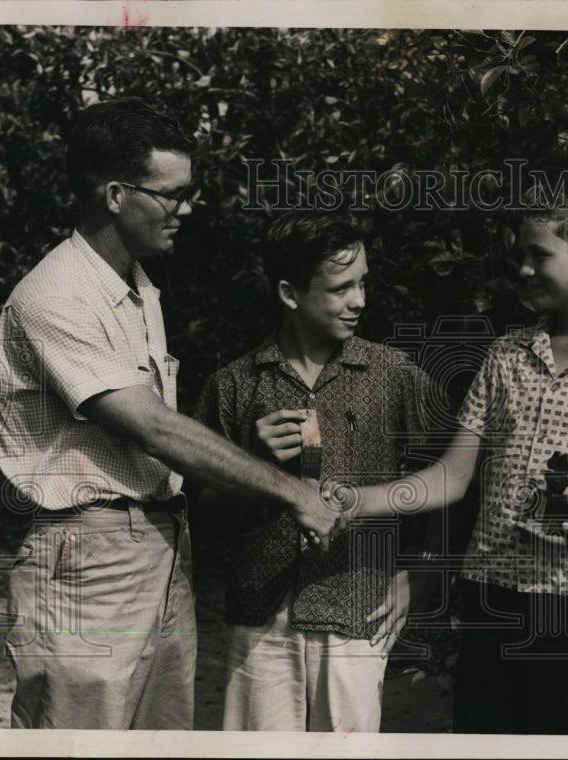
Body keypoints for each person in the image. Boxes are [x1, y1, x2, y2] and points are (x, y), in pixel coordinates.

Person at [0, 99, 343, 730]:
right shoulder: (55, 296)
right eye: (173, 194)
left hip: (161, 547)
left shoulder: (138, 286)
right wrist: (293, 491)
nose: (187, 208)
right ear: (117, 194)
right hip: (88, 564)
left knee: (162, 741)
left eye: (190, 191)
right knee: (77, 740)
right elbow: (151, 426)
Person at [325, 180, 568, 734]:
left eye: (540, 255)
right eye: (520, 256)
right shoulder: (504, 357)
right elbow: (453, 477)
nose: (524, 270)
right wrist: (358, 500)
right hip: (492, 602)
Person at [194, 212, 432, 732]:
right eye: (341, 287)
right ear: (289, 293)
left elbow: (449, 483)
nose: (360, 300)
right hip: (258, 621)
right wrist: (249, 465)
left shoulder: (394, 376)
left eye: (363, 282)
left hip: (358, 611)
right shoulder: (232, 387)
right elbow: (203, 523)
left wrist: (421, 573)